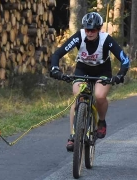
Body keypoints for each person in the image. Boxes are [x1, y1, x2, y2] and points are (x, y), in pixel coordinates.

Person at [49, 12, 130, 152]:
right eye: (87, 29)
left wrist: (120, 75)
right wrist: (55, 69)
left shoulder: (106, 40)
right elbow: (57, 53)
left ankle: (101, 121)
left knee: (99, 96)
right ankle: (73, 136)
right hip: (82, 70)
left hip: (102, 71)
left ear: (99, 29)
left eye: (93, 30)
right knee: (78, 94)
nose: (89, 32)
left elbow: (125, 60)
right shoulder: (79, 36)